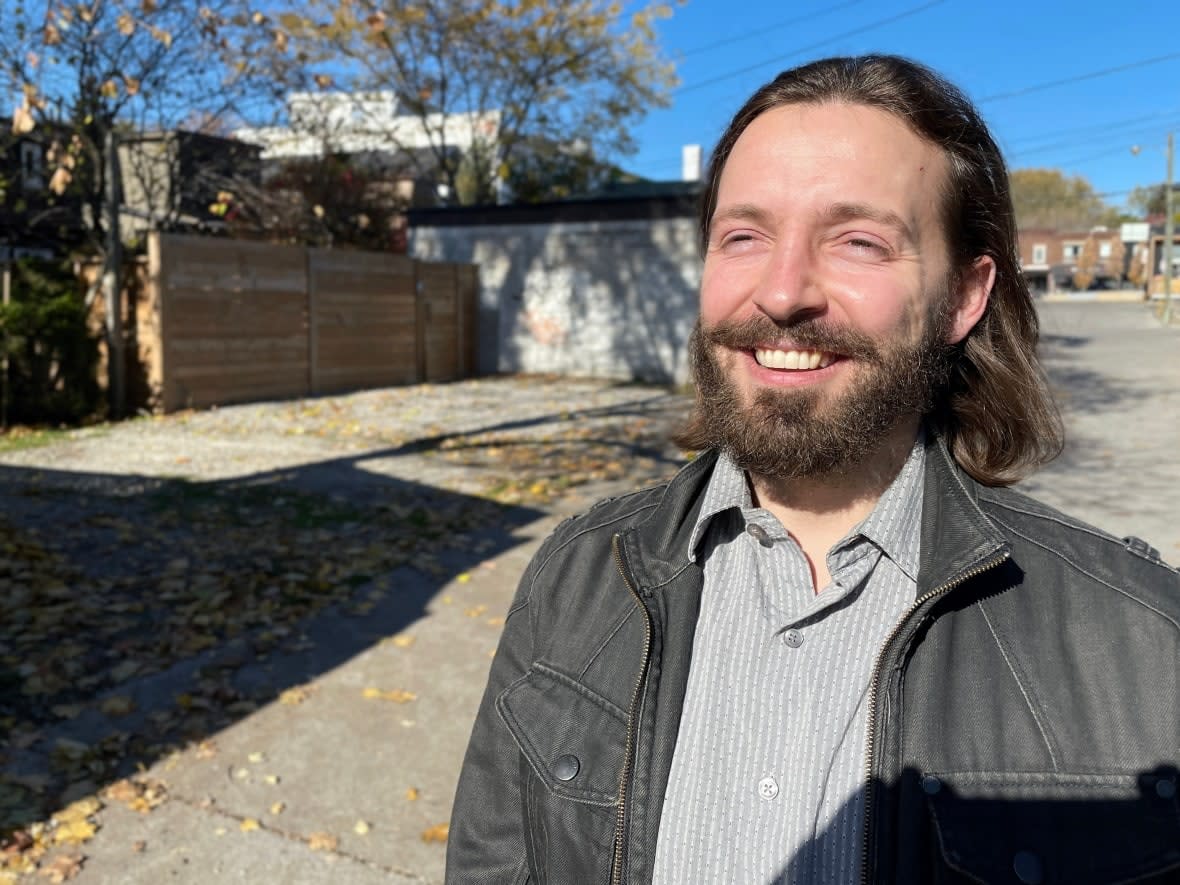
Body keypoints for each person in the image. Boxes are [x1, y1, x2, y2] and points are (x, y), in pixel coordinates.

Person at [445, 55, 1180, 884]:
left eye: (859, 241)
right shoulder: (574, 577)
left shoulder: (1147, 647)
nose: (782, 291)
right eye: (745, 236)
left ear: (965, 296)